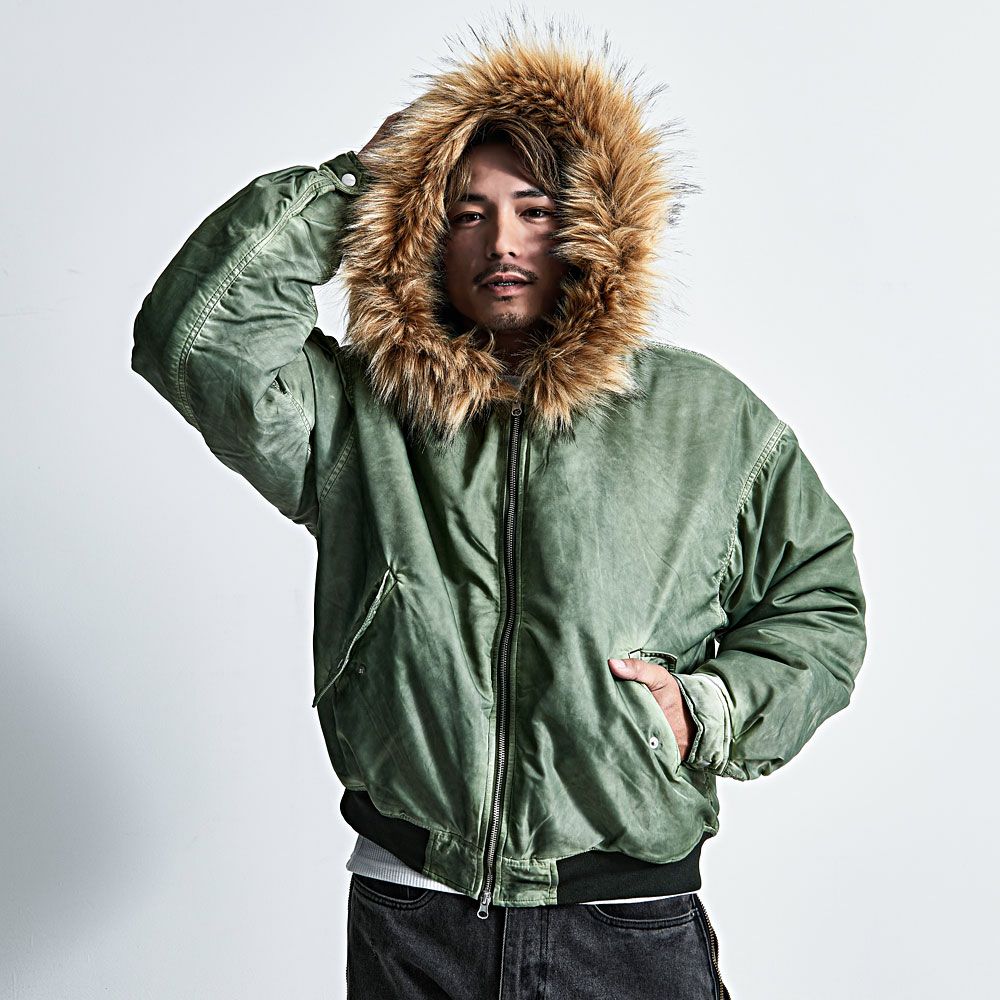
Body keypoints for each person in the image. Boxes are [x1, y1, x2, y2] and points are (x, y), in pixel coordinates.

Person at [131, 18, 866, 1000]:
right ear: (422, 232)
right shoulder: (359, 414)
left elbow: (819, 604)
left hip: (625, 922)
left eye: (534, 209)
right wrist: (360, 181)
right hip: (415, 914)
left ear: (593, 227)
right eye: (466, 212)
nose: (503, 241)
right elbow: (195, 338)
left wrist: (708, 713)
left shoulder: (707, 417)